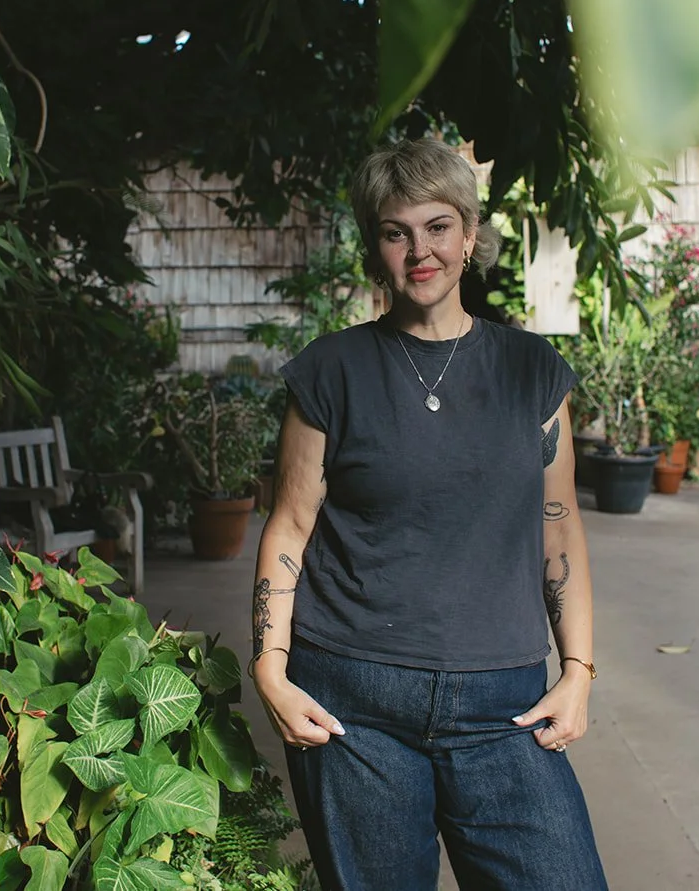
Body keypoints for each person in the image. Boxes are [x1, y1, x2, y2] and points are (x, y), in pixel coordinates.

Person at [249, 139, 609, 890]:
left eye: (438, 226)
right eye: (396, 231)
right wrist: (272, 668)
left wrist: (577, 669)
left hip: (503, 706)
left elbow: (560, 522)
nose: (421, 250)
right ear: (375, 247)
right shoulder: (330, 372)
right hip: (353, 706)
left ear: (470, 235)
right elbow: (290, 524)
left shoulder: (532, 371)